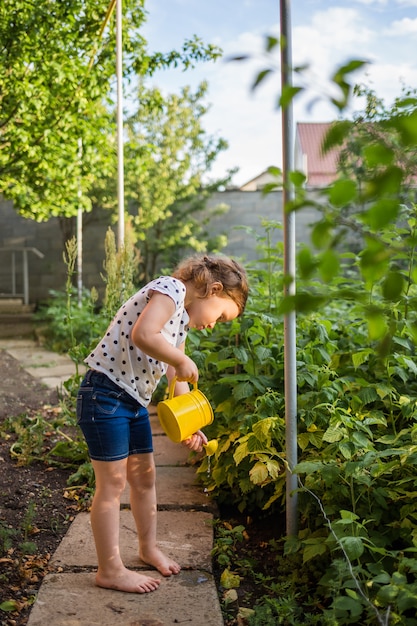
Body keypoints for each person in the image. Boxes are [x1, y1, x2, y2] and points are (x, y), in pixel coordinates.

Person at [76, 254, 249, 594]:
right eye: (222, 316)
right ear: (213, 289)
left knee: (145, 477)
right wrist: (182, 358)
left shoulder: (181, 319)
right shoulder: (169, 290)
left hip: (133, 401)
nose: (214, 325)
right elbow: (144, 334)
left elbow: (174, 375)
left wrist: (188, 422)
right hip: (105, 395)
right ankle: (109, 569)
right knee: (111, 485)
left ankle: (147, 547)